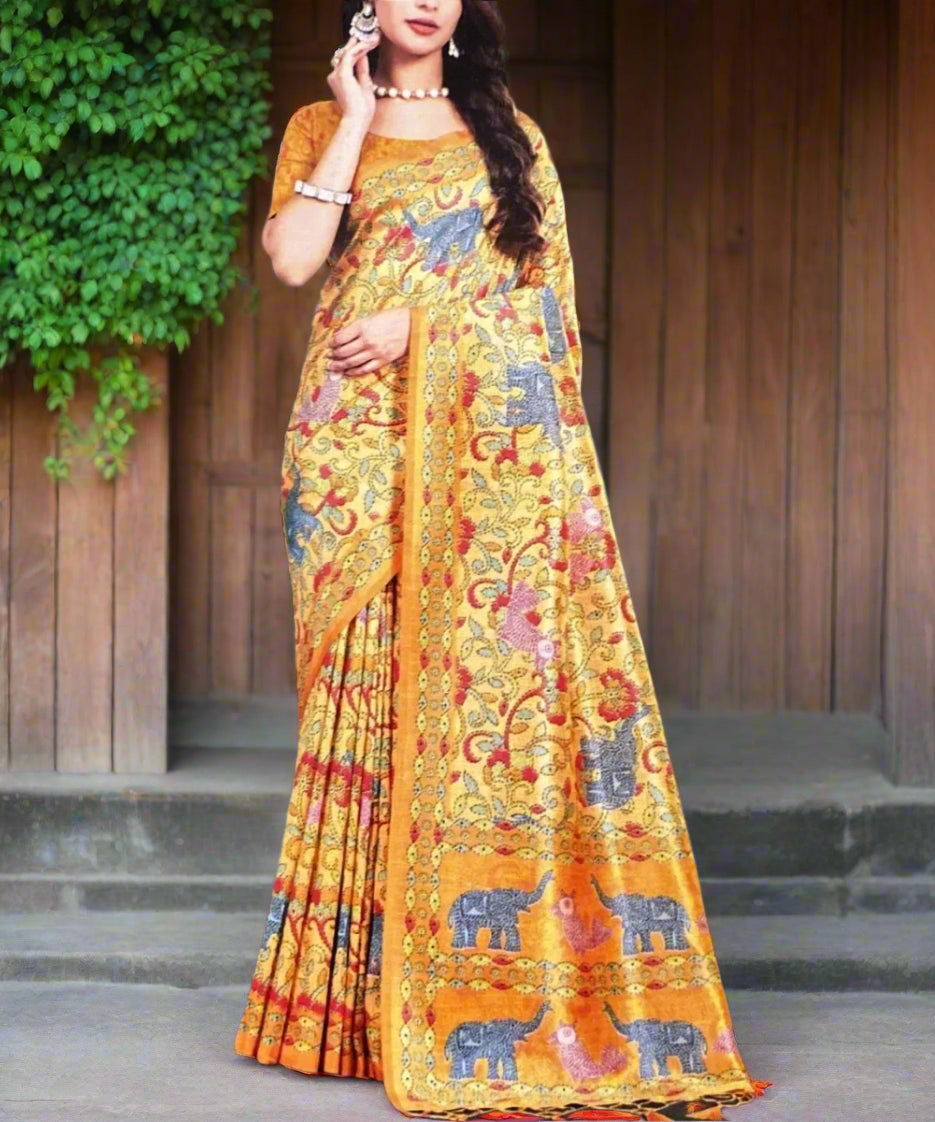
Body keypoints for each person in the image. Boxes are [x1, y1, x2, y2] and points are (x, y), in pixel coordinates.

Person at [233, 2, 773, 1119]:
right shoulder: (313, 124)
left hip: (476, 469)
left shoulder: (510, 137)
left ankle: (458, 1000)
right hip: (349, 456)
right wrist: (349, 118)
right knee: (360, 707)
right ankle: (339, 1012)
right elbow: (292, 263)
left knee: (463, 708)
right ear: (368, 5)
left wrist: (417, 332)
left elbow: (547, 323)